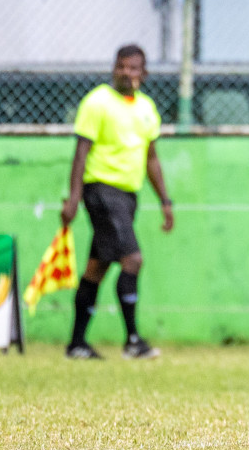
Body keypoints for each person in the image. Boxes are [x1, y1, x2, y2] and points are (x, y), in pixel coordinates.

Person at [61, 44, 173, 361]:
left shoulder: (147, 108)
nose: (126, 72)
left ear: (144, 73)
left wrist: (165, 200)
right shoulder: (97, 102)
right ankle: (133, 341)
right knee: (132, 260)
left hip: (128, 196)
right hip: (101, 190)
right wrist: (73, 197)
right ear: (114, 68)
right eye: (121, 66)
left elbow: (152, 159)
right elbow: (81, 152)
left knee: (97, 268)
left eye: (133, 68)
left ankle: (77, 344)